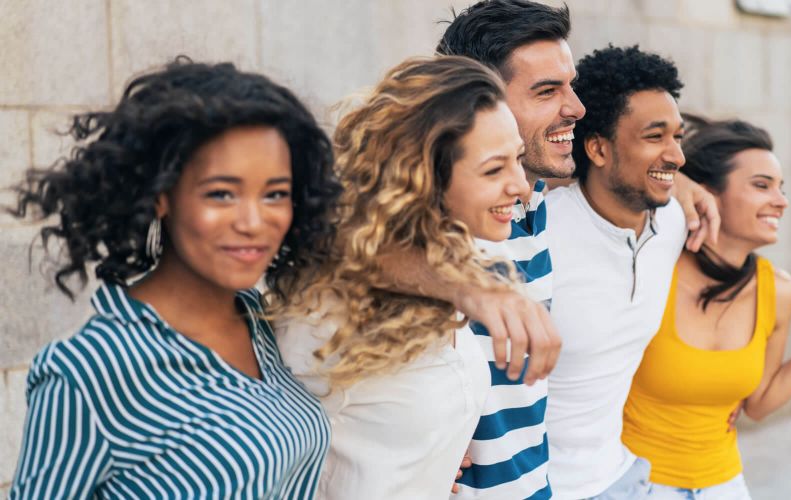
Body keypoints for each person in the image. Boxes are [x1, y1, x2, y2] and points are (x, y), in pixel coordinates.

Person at [7, 58, 341, 499]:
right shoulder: (88, 370)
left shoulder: (259, 320)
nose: (253, 221)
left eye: (275, 194)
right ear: (162, 196)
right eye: (221, 193)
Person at [438, 4, 719, 498]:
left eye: (569, 86)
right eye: (548, 91)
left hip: (562, 482)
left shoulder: (535, 202)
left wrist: (677, 181)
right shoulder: (431, 222)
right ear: (477, 103)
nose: (578, 108)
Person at [274, 56, 527, 499]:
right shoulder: (331, 304)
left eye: (518, 160)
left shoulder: (455, 259)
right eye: (494, 169)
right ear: (424, 176)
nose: (521, 185)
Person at [621, 117, 791, 499]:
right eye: (762, 186)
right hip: (633, 483)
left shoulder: (778, 290)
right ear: (707, 192)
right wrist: (676, 181)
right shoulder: (652, 265)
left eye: (780, 188)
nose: (781, 200)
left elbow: (759, 404)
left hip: (724, 484)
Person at [545, 45, 690, 499]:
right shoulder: (539, 233)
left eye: (677, 137)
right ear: (598, 148)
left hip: (620, 477)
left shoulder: (674, 221)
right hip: (537, 487)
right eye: (654, 137)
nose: (676, 156)